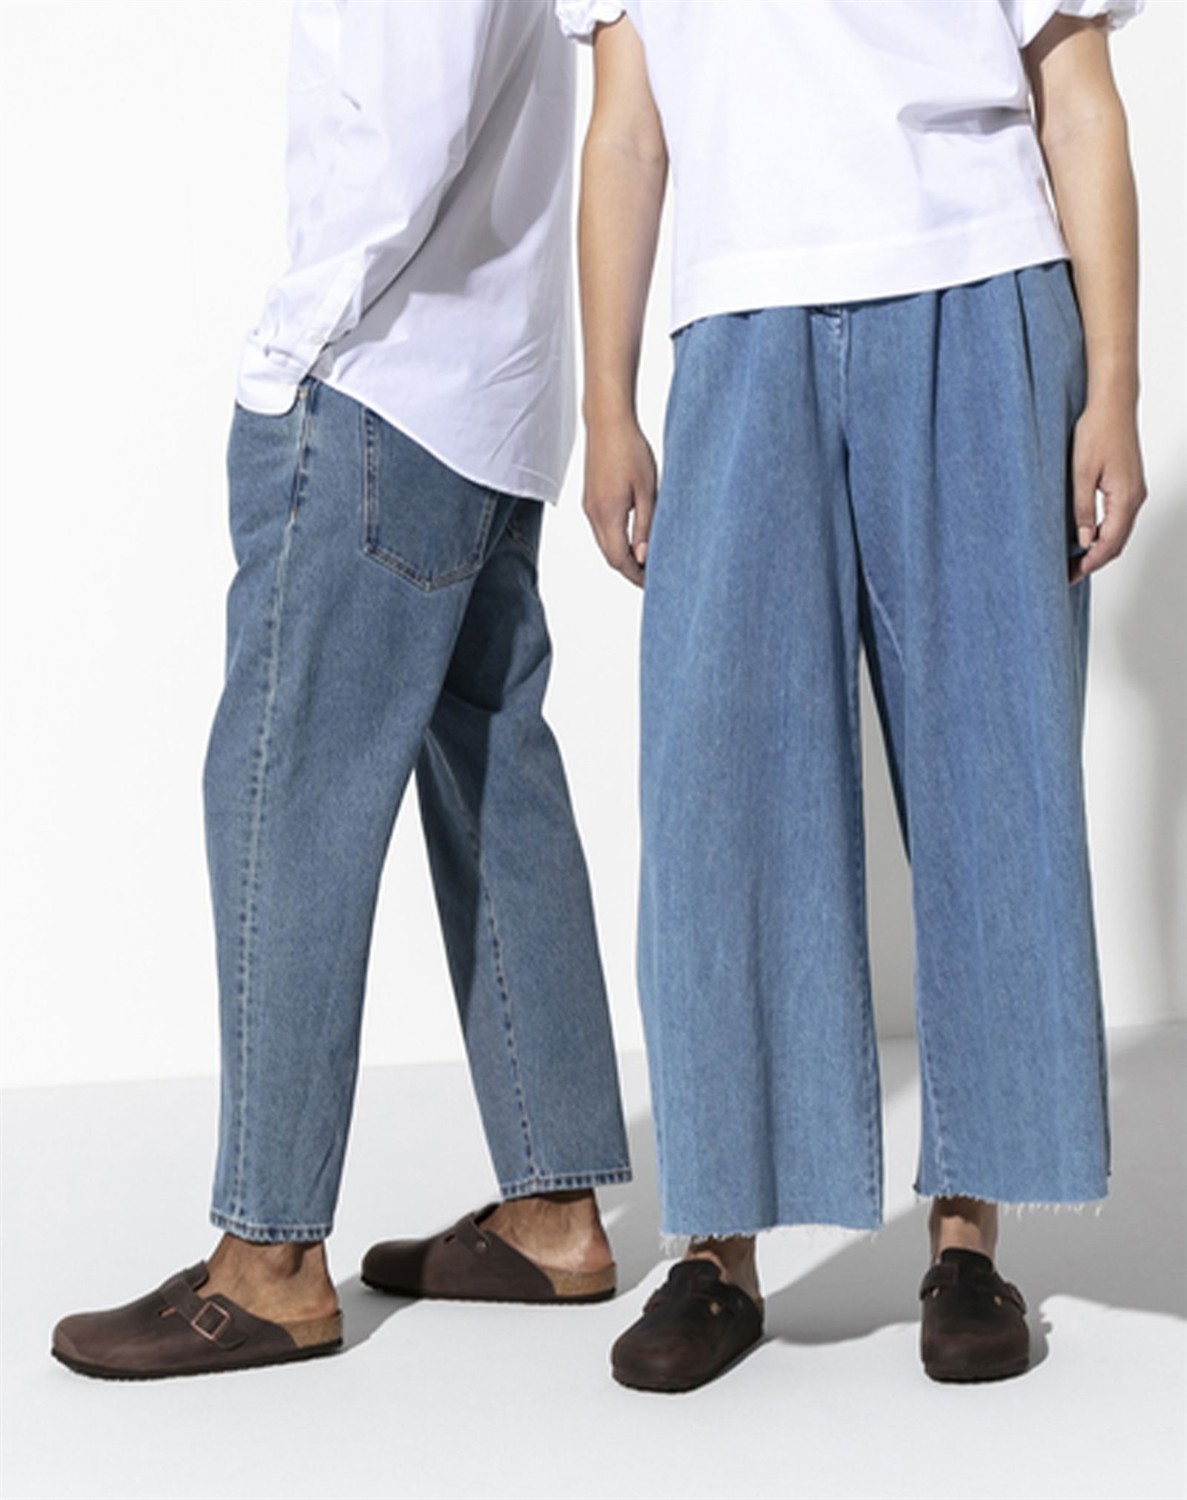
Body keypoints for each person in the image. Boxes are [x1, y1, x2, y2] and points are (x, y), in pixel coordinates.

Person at [565, 0, 1146, 1391]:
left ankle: (968, 1240)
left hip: (980, 285)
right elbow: (627, 134)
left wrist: (1116, 386)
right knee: (718, 798)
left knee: (990, 776)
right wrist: (605, 400)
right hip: (739, 322)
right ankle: (718, 1249)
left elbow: (1077, 100)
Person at [51, 0, 631, 1381]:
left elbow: (405, 123)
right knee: (493, 779)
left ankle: (266, 1261)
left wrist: (292, 346)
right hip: (491, 396)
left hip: (378, 388)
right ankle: (554, 1211)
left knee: (281, 786)